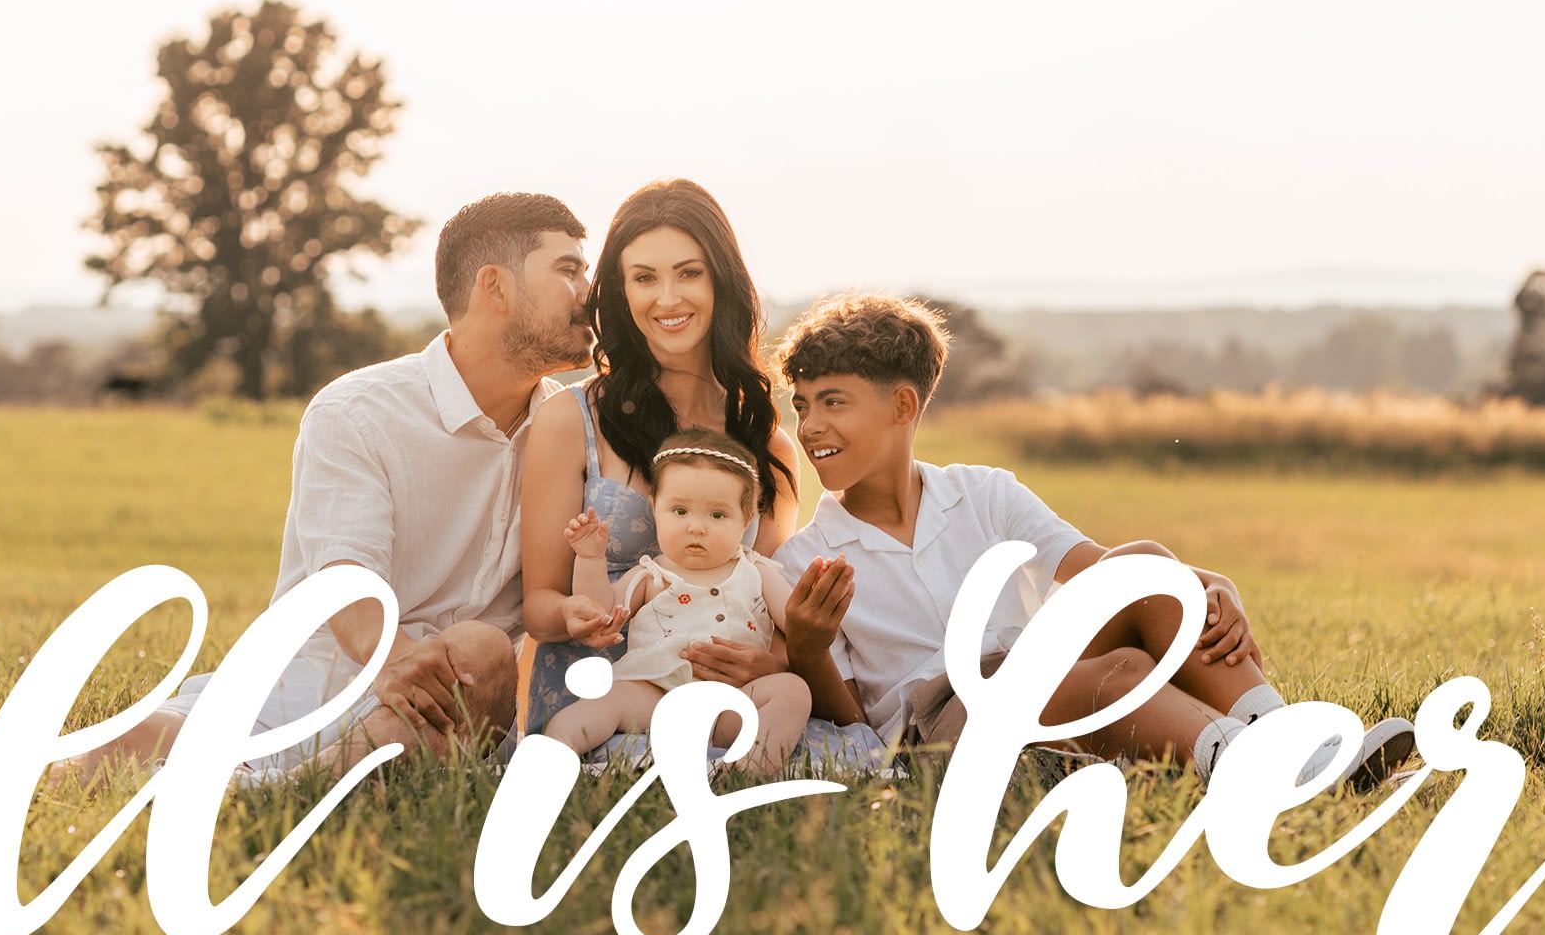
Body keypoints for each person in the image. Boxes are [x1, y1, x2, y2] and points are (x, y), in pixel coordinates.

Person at [0, 191, 596, 778]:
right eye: (567, 269)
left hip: (461, 697)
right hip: (319, 684)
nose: (587, 291)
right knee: (139, 734)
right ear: (495, 288)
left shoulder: (574, 429)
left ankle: (263, 789)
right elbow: (345, 586)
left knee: (479, 653)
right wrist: (404, 663)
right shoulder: (359, 412)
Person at [767, 293, 1415, 786]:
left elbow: (1104, 573)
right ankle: (1261, 772)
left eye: (833, 402)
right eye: (802, 405)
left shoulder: (982, 493)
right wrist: (810, 646)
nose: (811, 426)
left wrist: (1209, 588)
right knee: (1121, 673)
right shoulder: (805, 560)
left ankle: (1288, 736)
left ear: (903, 408)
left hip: (1033, 675)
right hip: (938, 728)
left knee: (1148, 565)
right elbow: (852, 729)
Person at [513, 179, 856, 746]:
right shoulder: (569, 420)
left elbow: (769, 610)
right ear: (621, 293)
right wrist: (574, 613)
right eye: (644, 278)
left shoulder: (766, 448)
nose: (667, 299)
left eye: (688, 273)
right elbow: (538, 604)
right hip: (603, 694)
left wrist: (766, 668)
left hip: (723, 701)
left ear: (721, 280)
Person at [541, 430, 815, 773]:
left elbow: (799, 622)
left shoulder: (757, 570)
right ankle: (553, 754)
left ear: (746, 519)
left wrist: (814, 602)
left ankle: (749, 769)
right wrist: (590, 558)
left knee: (792, 691)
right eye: (680, 510)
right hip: (655, 696)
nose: (696, 527)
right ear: (655, 508)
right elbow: (602, 611)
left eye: (717, 515)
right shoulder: (652, 575)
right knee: (601, 701)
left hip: (731, 703)